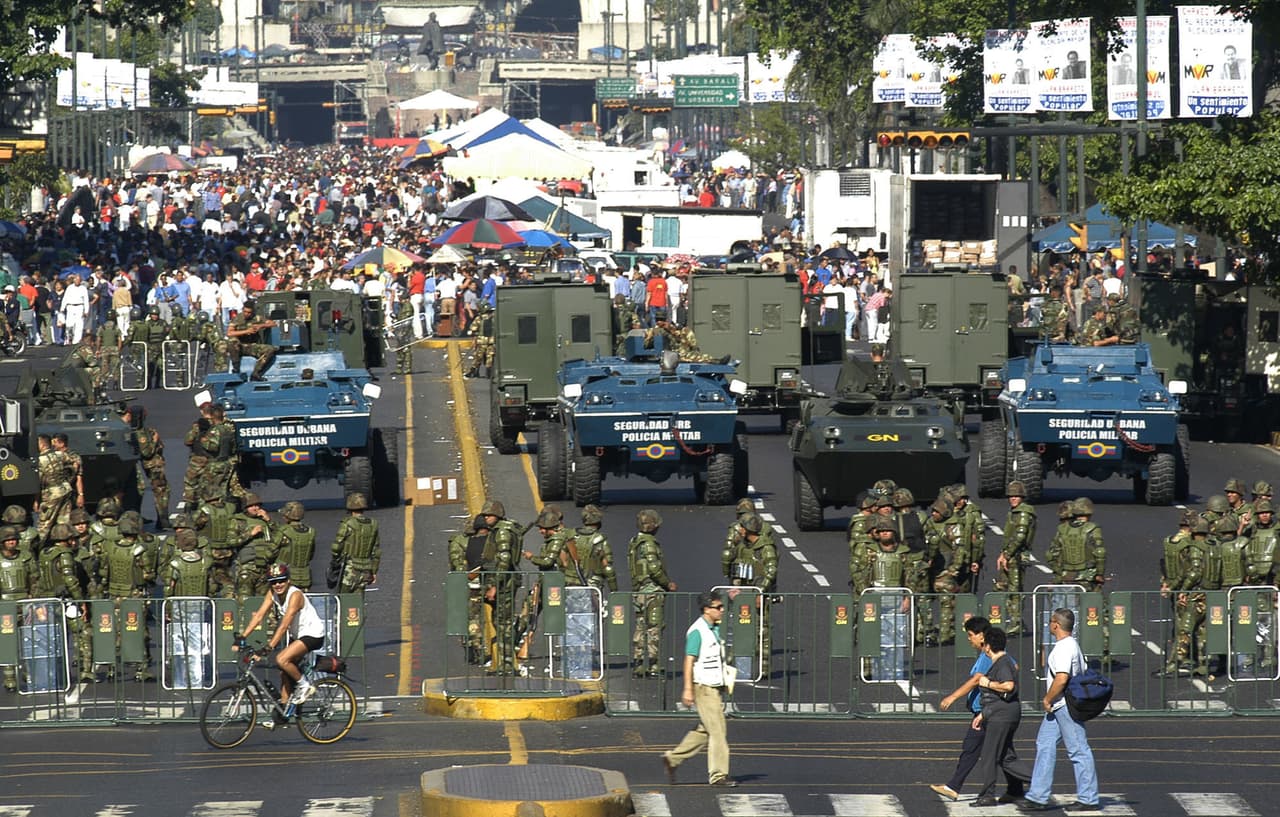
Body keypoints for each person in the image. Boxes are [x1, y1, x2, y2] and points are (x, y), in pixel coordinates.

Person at [1020, 608, 1098, 812]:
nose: (1049, 624)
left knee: (1078, 750)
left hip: (1063, 705)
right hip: (1059, 706)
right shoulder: (1072, 645)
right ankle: (1038, 796)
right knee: (1045, 744)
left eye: (1051, 621)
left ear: (1056, 624)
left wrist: (1047, 698)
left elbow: (1062, 678)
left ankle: (1088, 798)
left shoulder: (1064, 648)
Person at [660, 590, 737, 788]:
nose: (722, 610)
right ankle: (718, 775)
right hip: (704, 688)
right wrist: (688, 689)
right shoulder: (697, 631)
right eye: (718, 607)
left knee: (704, 730)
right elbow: (689, 660)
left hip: (714, 687)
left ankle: (672, 759)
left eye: (722, 606)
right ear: (706, 609)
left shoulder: (714, 628)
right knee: (718, 731)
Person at [238, 563, 325, 722]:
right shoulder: (272, 593)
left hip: (313, 634)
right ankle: (284, 711)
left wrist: (269, 647)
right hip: (298, 635)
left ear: (288, 580)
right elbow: (259, 616)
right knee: (284, 671)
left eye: (281, 580)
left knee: (281, 659)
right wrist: (242, 637)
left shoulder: (295, 595)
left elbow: (284, 625)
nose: (278, 585)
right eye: (273, 581)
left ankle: (305, 685)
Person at [932, 616, 992, 801]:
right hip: (984, 711)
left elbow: (976, 680)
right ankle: (953, 786)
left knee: (985, 752)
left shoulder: (988, 656)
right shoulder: (986, 654)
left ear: (981, 636)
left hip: (987, 712)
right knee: (975, 750)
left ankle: (1032, 786)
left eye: (971, 635)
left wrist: (952, 697)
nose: (969, 639)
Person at [970, 627, 1031, 806]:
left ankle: (987, 795)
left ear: (988, 646)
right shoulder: (1003, 662)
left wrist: (987, 682)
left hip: (1001, 716)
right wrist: (983, 714)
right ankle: (1020, 788)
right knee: (1006, 756)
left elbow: (1008, 686)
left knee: (989, 756)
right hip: (1001, 713)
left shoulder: (1002, 663)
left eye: (984, 644)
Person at [631, 508, 677, 677]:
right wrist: (667, 583)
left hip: (639, 590)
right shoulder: (649, 544)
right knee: (654, 628)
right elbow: (654, 568)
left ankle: (638, 663)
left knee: (640, 626)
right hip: (652, 591)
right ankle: (653, 663)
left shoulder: (635, 542)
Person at [997, 480, 1037, 635]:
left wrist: (1006, 555)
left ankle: (1016, 622)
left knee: (1014, 590)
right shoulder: (1016, 512)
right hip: (1012, 554)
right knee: (1008, 588)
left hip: (1017, 556)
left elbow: (1020, 536)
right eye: (1010, 496)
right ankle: (1016, 621)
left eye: (1016, 496)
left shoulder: (1023, 513)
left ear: (1022, 497)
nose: (1013, 498)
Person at [329, 493, 379, 594]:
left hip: (349, 569)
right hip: (366, 569)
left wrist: (335, 560)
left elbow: (336, 547)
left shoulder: (347, 524)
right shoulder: (373, 524)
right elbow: (376, 551)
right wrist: (374, 571)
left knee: (342, 599)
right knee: (358, 601)